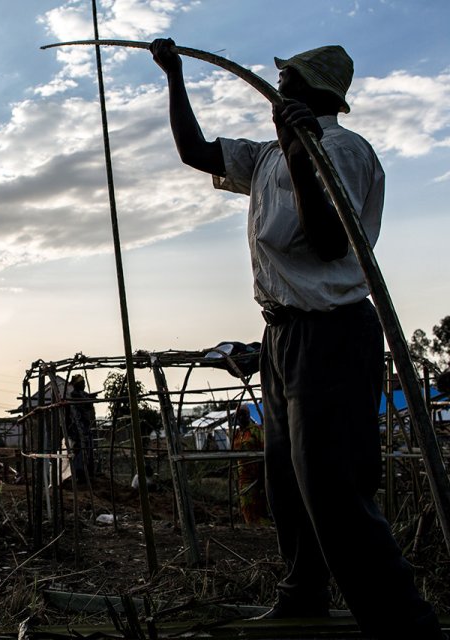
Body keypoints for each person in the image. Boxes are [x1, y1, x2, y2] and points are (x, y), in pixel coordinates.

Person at [149, 40, 442, 638]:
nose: (278, 81)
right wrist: (174, 77)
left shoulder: (345, 151)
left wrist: (298, 154)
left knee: (331, 484)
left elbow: (332, 242)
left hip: (333, 333)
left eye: (289, 76)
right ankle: (304, 590)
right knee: (286, 478)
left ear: (314, 91)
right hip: (283, 334)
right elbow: (195, 151)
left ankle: (404, 624)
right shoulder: (264, 159)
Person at [230, 405, 267, 525]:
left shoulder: (256, 430)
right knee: (245, 503)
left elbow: (264, 451)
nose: (241, 417)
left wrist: (263, 474)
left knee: (258, 502)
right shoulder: (236, 434)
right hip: (242, 475)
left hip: (256, 473)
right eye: (239, 415)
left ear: (248, 415)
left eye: (244, 414)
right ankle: (251, 526)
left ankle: (263, 527)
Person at [66, 374, 96, 483]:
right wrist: (89, 399)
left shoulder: (82, 394)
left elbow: (88, 405)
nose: (84, 385)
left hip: (85, 427)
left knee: (87, 449)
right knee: (79, 449)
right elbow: (85, 403)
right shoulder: (74, 395)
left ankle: (85, 472)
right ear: (77, 385)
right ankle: (79, 473)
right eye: (82, 383)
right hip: (77, 427)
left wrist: (90, 399)